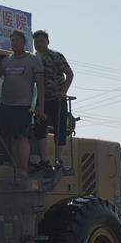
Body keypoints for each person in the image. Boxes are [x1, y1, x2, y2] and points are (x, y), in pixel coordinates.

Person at [0, 29, 45, 176]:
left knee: (21, 138)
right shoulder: (6, 61)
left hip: (22, 106)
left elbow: (41, 86)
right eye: (12, 41)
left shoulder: (33, 60)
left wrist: (40, 107)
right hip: (4, 104)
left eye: (17, 40)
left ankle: (22, 170)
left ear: (23, 42)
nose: (14, 43)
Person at [32, 30, 74, 171]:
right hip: (41, 100)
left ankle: (59, 159)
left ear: (48, 42)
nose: (38, 44)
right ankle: (45, 160)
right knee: (39, 129)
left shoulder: (56, 56)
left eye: (41, 41)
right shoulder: (34, 58)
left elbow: (69, 74)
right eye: (36, 41)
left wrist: (63, 92)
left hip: (57, 99)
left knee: (60, 129)